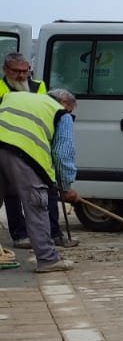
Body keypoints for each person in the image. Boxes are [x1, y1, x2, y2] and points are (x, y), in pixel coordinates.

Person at [0, 89, 78, 272]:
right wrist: (65, 187)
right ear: (64, 102)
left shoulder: (14, 96)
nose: (70, 114)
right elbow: (63, 155)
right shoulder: (60, 113)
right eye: (71, 110)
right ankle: (48, 259)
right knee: (36, 204)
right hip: (23, 155)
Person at [2, 53, 50, 249]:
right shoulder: (0, 88)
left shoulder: (39, 87)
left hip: (34, 147)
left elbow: (44, 111)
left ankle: (51, 234)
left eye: (25, 71)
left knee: (41, 194)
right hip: (8, 148)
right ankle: (19, 234)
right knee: (11, 193)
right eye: (16, 71)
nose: (22, 76)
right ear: (6, 70)